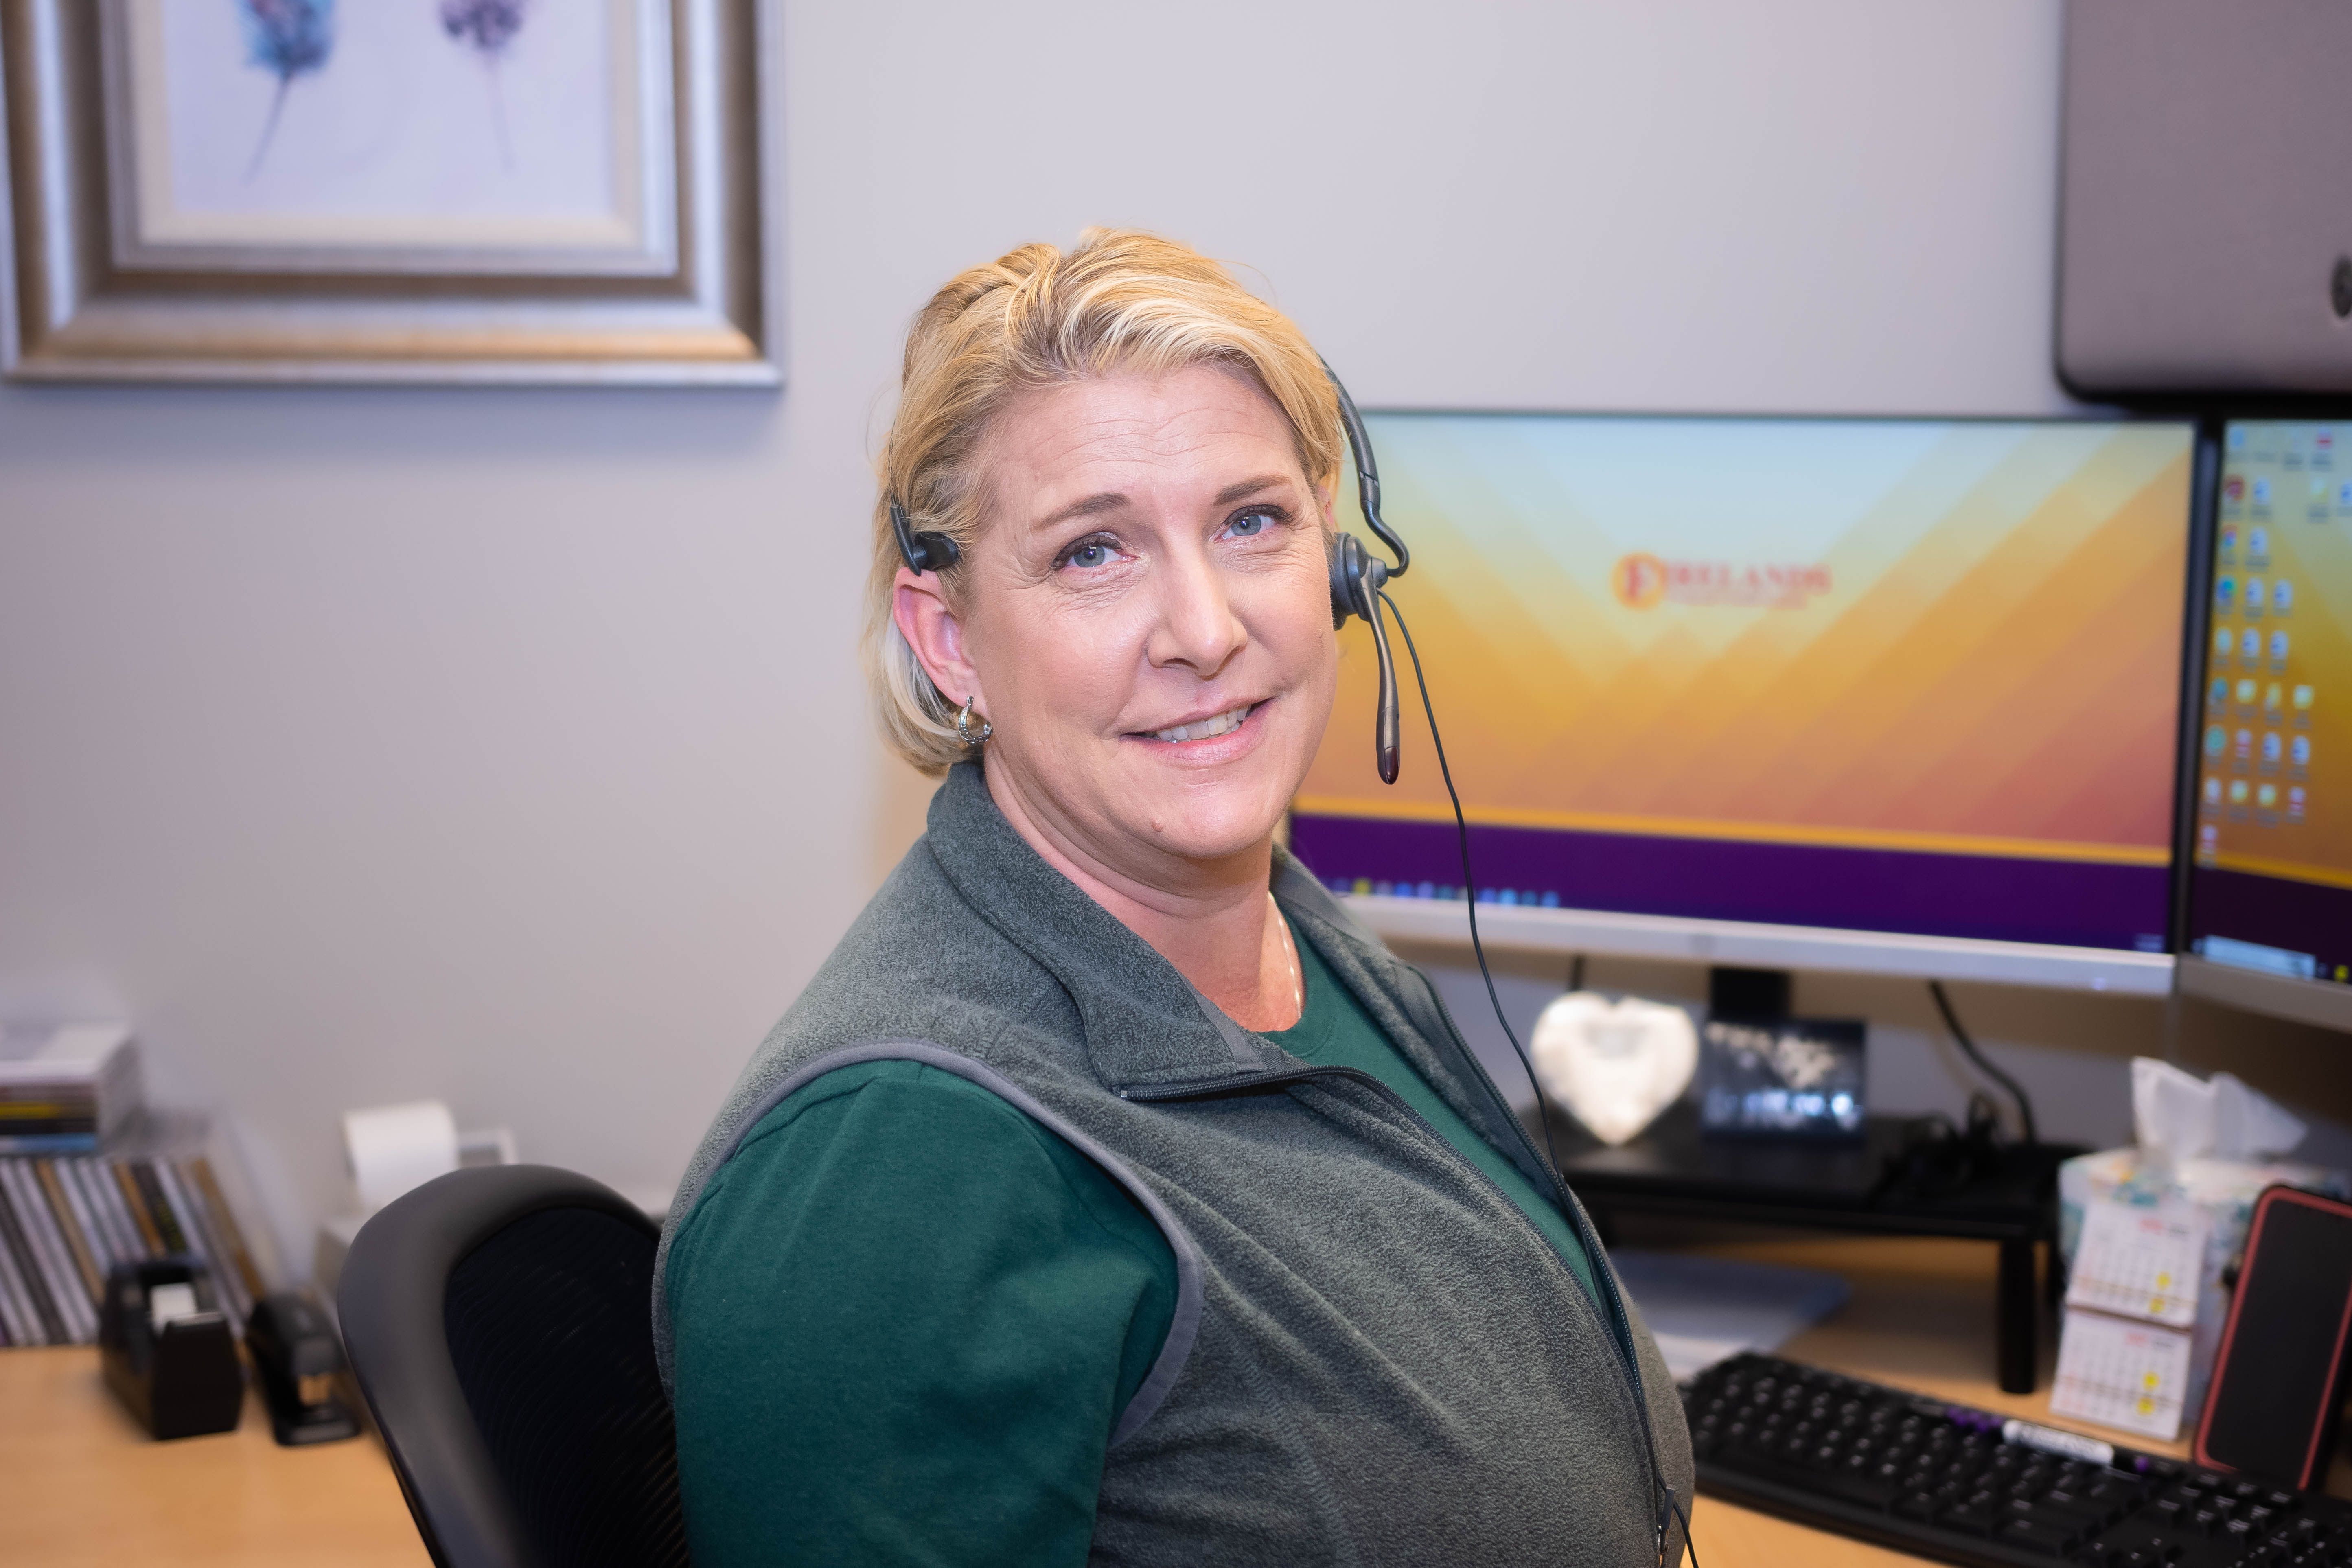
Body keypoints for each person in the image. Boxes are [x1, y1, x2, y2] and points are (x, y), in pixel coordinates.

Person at [655, 228, 1693, 1566]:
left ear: (1338, 569)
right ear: (951, 640)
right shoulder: (896, 1171)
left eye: (1250, 522)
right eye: (1094, 552)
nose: (1204, 630)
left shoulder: (1294, 935)